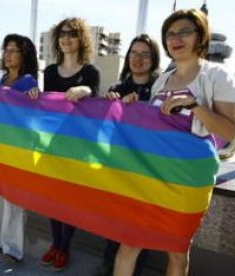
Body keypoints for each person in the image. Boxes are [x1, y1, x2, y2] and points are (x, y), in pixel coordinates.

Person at [113, 9, 235, 276]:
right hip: (152, 175)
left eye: (184, 32)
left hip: (188, 179)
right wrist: (134, 108)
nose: (176, 38)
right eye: (170, 34)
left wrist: (194, 105)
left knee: (177, 253)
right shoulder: (162, 79)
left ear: (200, 37)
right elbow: (156, 126)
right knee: (129, 244)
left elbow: (230, 132)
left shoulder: (219, 75)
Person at [38, 17, 100, 271]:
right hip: (53, 144)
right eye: (62, 34)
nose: (66, 38)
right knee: (53, 198)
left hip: (78, 147)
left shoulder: (90, 72)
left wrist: (86, 90)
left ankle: (64, 247)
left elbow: (97, 100)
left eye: (72, 34)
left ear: (81, 39)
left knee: (70, 200)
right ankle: (55, 243)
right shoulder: (51, 71)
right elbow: (47, 105)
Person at [101, 33, 160, 276]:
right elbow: (104, 129)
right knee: (113, 231)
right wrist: (108, 104)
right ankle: (108, 269)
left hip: (146, 173)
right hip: (118, 170)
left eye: (145, 54)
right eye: (134, 53)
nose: (138, 59)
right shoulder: (117, 87)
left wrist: (142, 108)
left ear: (154, 59)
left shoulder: (160, 89)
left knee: (137, 236)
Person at [0, 33, 39, 264]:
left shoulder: (29, 81)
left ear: (24, 55)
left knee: (15, 201)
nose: (7, 55)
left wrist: (33, 99)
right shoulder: (1, 80)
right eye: (6, 50)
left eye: (13, 50)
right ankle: (0, 241)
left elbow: (31, 115)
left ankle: (13, 249)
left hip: (18, 148)